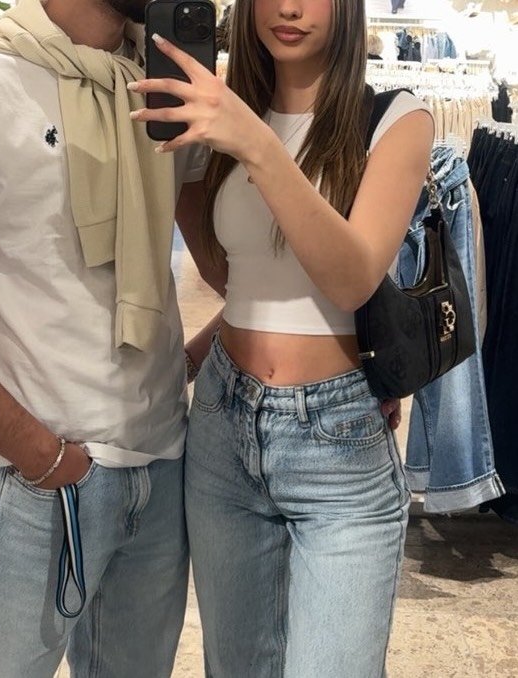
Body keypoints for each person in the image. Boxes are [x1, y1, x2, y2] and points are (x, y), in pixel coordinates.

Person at [0, 0, 212, 675]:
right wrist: (42, 456)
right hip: (32, 485)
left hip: (159, 472)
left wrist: (187, 361)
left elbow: (232, 267)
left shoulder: (163, 88)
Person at [130, 0, 434, 675]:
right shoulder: (219, 115)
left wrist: (257, 145)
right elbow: (234, 277)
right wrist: (186, 359)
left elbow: (351, 280)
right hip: (222, 428)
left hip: (338, 442)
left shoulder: (396, 119)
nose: (289, 7)